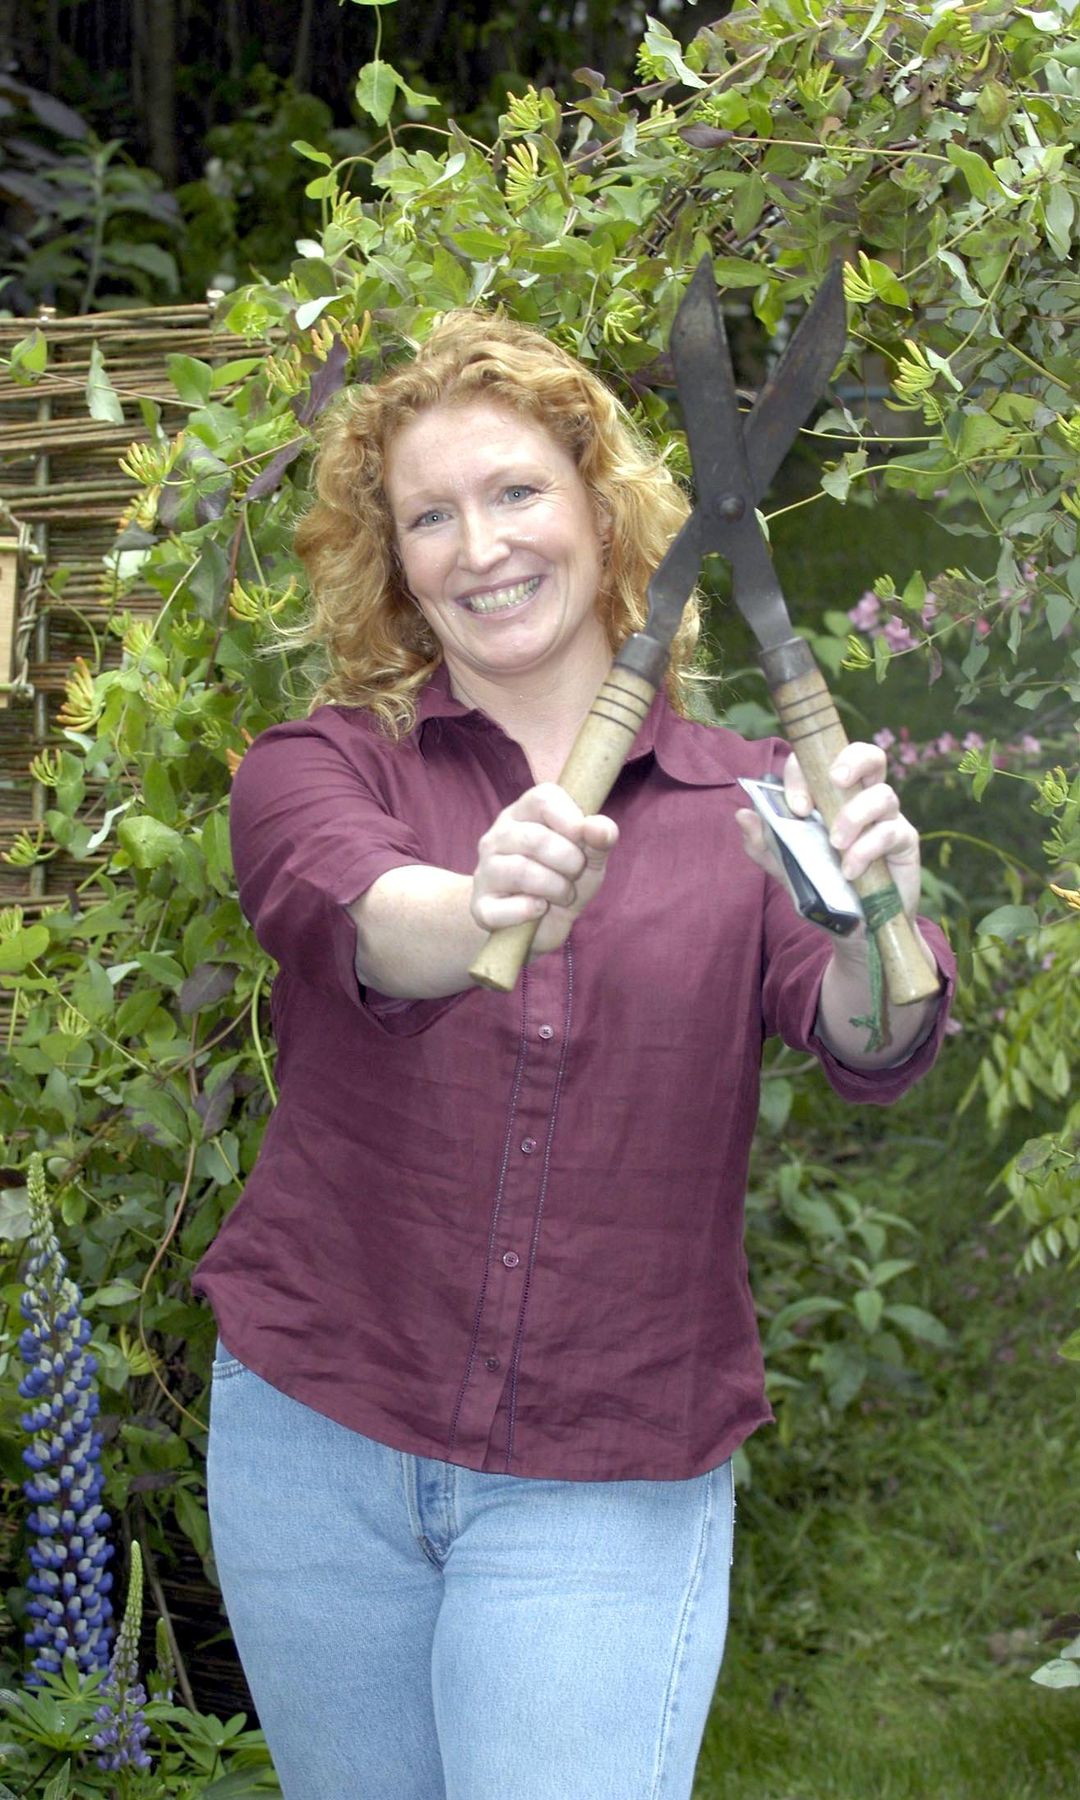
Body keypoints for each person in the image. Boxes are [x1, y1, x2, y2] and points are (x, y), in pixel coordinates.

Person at [192, 309, 954, 1800]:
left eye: (516, 492)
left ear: (602, 504)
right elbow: (359, 914)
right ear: (393, 560)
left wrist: (882, 918)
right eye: (430, 516)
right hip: (317, 1431)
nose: (479, 548)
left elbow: (876, 1033)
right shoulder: (324, 765)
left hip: (608, 1463)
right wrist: (485, 898)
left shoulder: (757, 801)